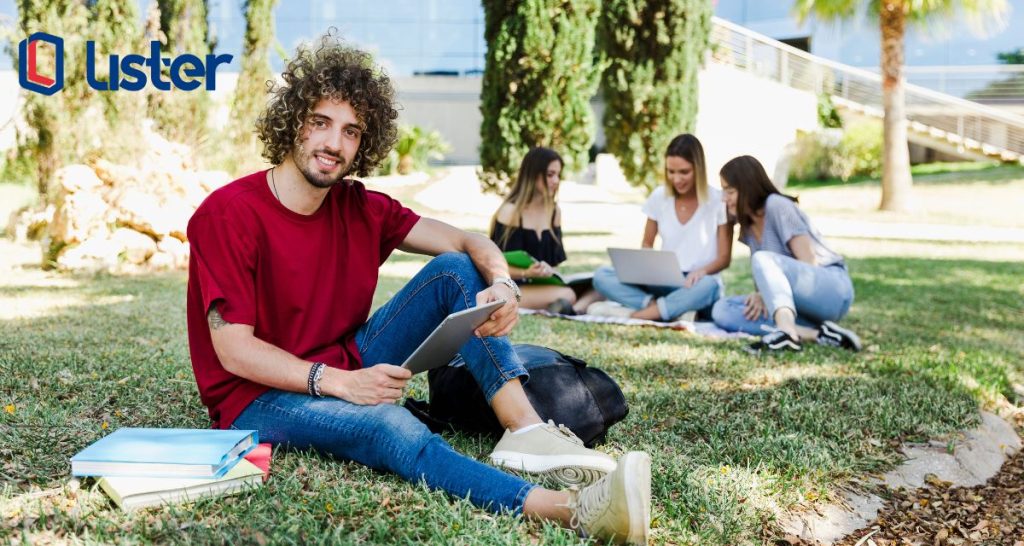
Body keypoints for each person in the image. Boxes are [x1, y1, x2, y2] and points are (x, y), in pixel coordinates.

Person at [185, 33, 650, 544]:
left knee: (456, 268)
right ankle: (572, 511)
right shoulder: (228, 214)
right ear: (293, 121)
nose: (333, 144)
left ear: (365, 142)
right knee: (389, 425)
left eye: (351, 131)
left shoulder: (359, 206)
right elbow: (232, 351)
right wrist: (341, 385)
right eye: (320, 122)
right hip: (256, 397)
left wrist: (501, 283)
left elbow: (468, 241)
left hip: (344, 357)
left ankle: (524, 430)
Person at [710, 155, 862, 353]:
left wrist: (768, 294)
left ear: (747, 188)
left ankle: (787, 333)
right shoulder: (748, 227)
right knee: (723, 309)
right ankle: (816, 334)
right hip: (796, 304)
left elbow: (809, 264)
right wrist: (760, 294)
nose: (724, 198)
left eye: (729, 191)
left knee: (762, 258)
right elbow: (766, 281)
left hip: (831, 289)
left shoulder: (777, 205)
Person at [589, 134, 732, 322]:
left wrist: (702, 271)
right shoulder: (659, 197)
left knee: (709, 286)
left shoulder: (718, 200)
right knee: (602, 276)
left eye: (684, 172)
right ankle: (666, 309)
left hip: (697, 282)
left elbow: (724, 258)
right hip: (664, 279)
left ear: (699, 168)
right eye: (671, 172)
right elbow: (647, 242)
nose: (676, 179)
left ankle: (640, 314)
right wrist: (646, 267)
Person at [490, 147, 601, 315]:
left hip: (543, 285)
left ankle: (570, 310)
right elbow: (492, 264)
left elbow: (554, 263)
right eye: (550, 175)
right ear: (532, 175)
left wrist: (547, 270)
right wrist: (526, 272)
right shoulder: (510, 212)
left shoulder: (554, 212)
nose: (556, 180)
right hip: (511, 286)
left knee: (600, 284)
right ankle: (572, 309)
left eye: (558, 175)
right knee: (568, 294)